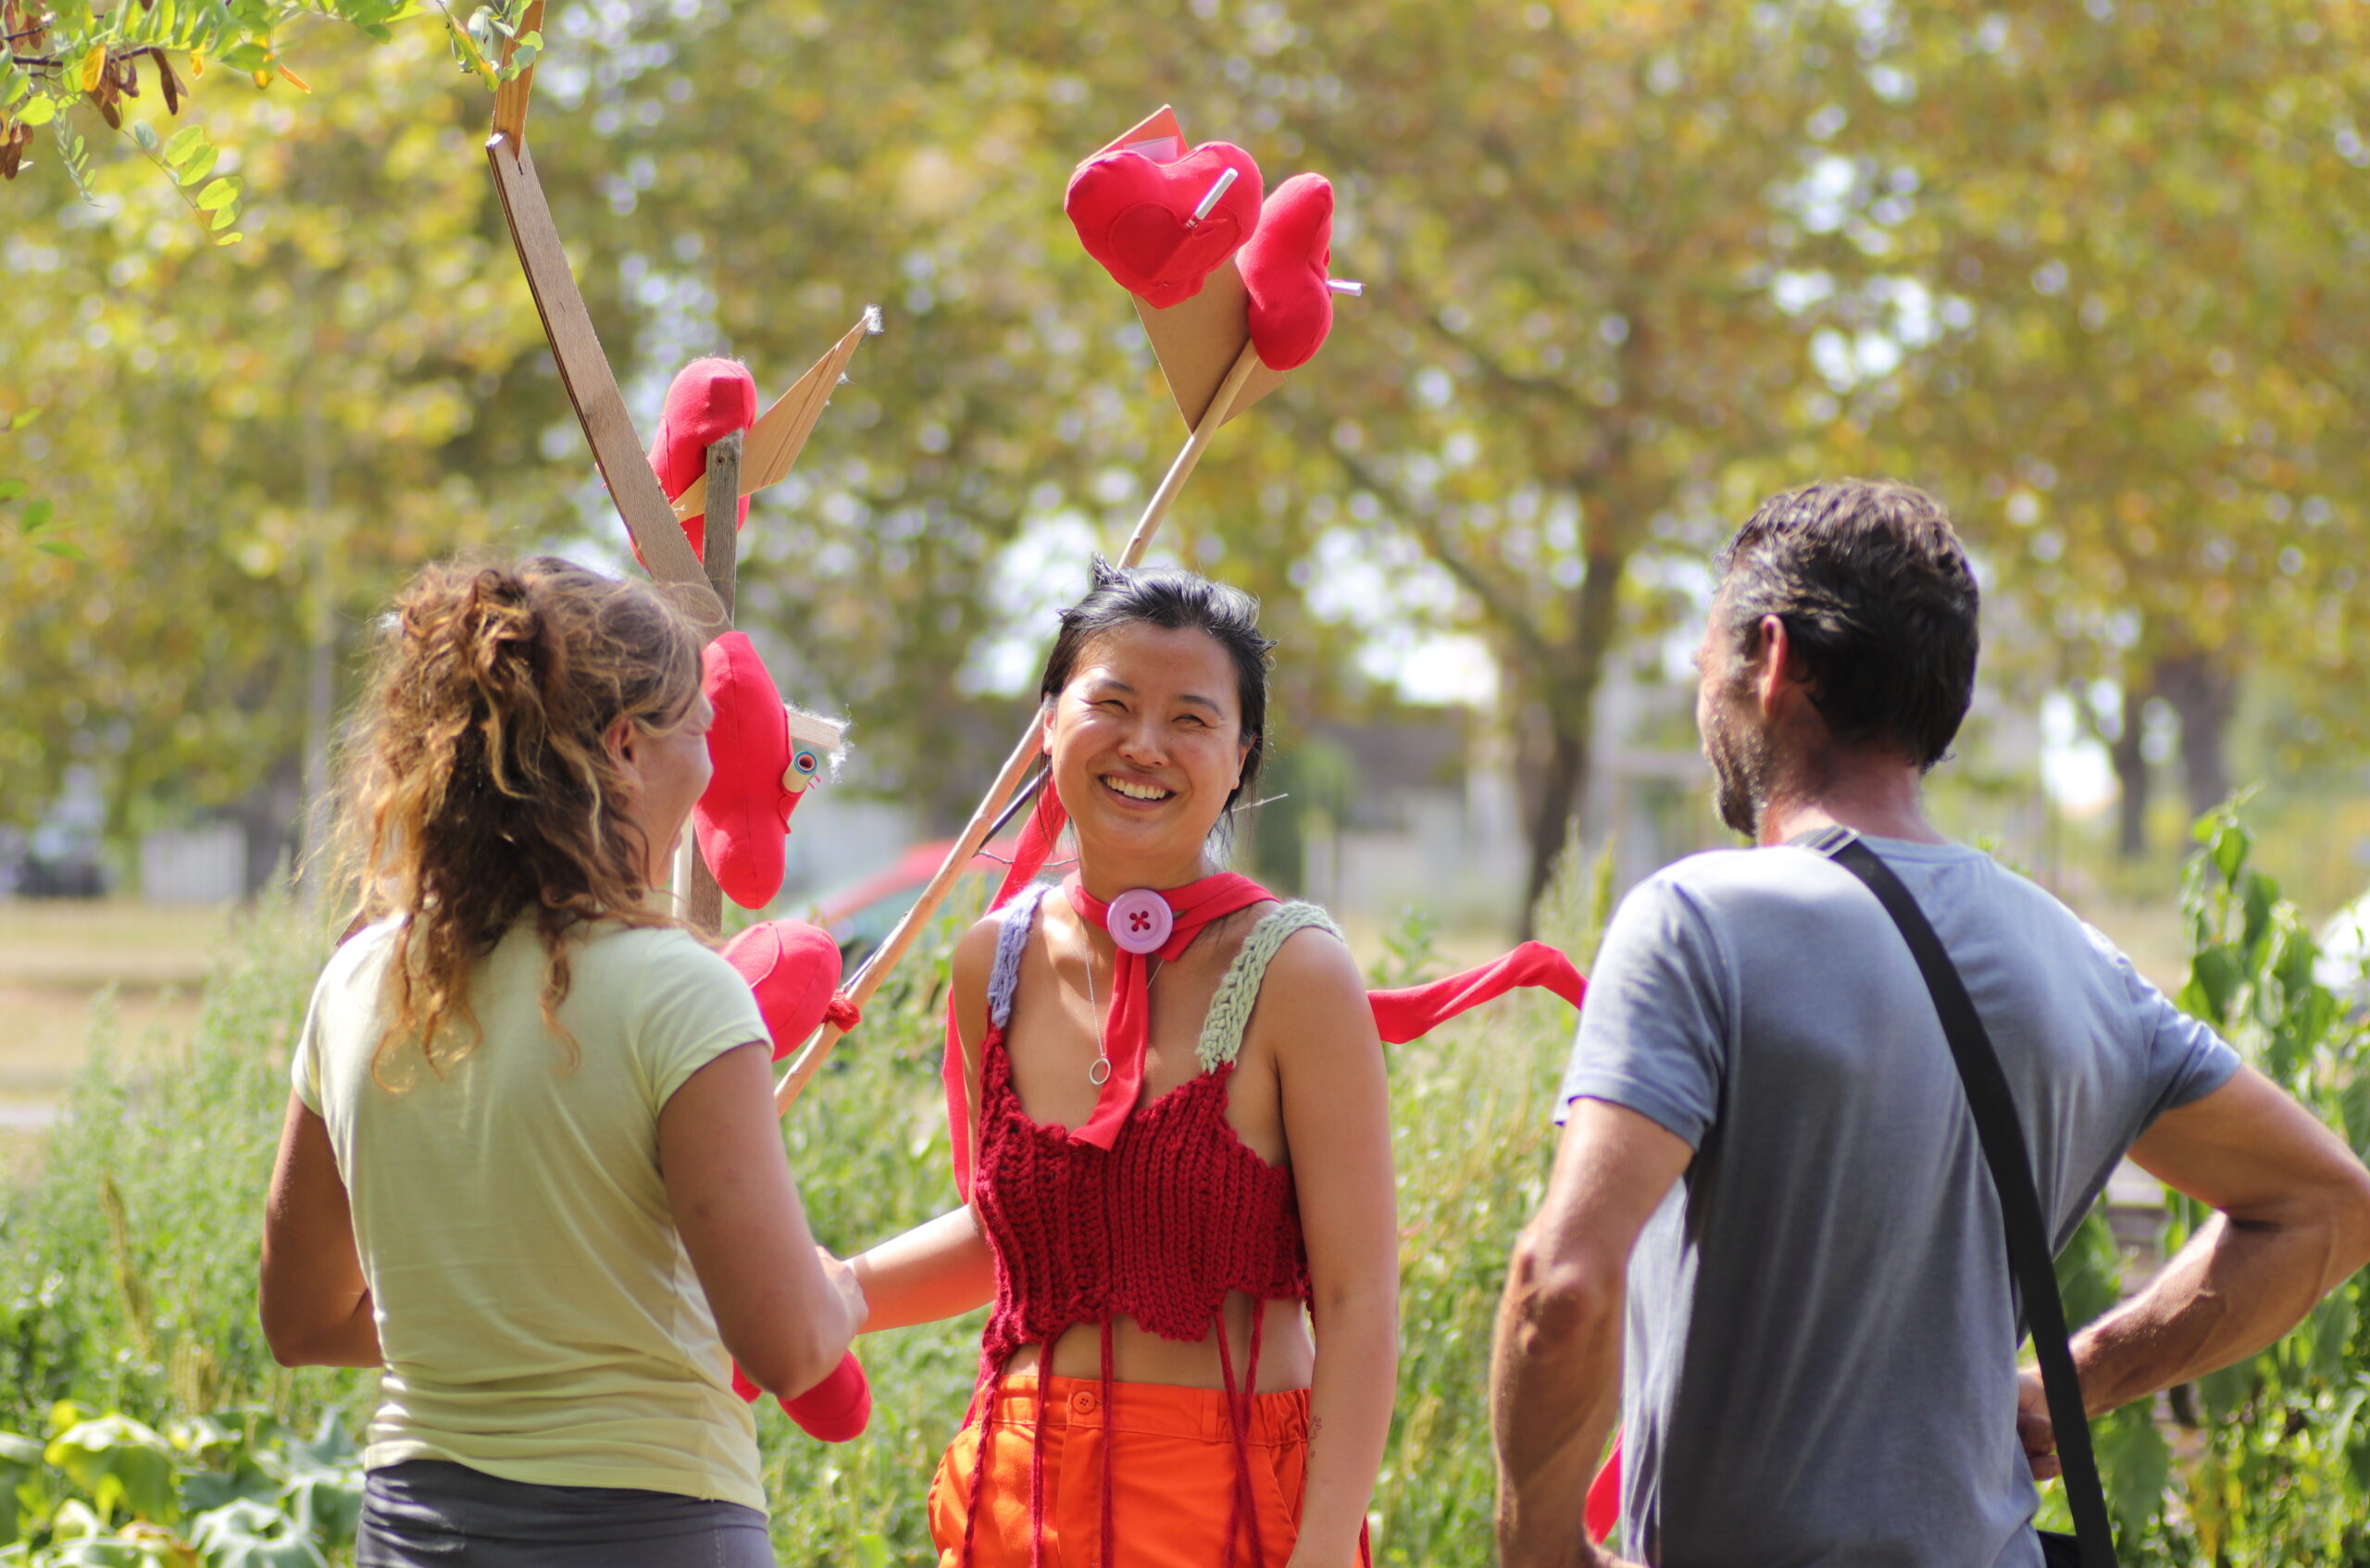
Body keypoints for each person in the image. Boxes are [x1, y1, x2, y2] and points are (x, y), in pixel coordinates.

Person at [1489, 480, 2370, 1568]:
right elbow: (2325, 1205)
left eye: (1703, 660)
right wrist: (2074, 1383)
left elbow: (1561, 1292)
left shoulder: (1695, 923)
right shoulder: (2080, 965)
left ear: (1770, 660)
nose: (1699, 694)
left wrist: (1536, 1550)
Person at [259, 556, 866, 1567]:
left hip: (414, 1533)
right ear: (626, 747)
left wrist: (495, 1326)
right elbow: (787, 1346)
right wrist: (835, 1291)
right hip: (650, 1529)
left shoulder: (361, 980)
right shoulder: (679, 992)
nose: (711, 769)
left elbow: (302, 1320)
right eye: (698, 735)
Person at [847, 562, 1400, 1568]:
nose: (1145, 745)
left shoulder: (1297, 970)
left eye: (1190, 718)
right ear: (1049, 724)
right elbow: (1010, 1233)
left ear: (1239, 757)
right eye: (1112, 704)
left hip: (1233, 1502)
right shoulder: (991, 962)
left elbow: (1360, 1300)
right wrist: (830, 1292)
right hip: (1019, 1501)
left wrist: (1322, 1551)